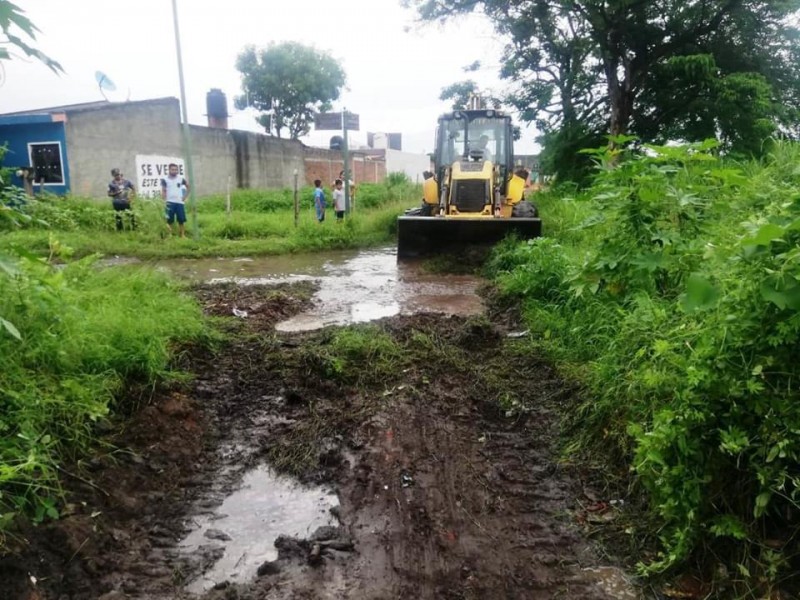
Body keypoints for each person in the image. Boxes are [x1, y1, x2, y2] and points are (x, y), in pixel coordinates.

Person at [161, 163, 189, 238]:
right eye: (173, 169)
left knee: (181, 220)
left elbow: (188, 186)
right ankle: (170, 235)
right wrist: (163, 201)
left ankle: (182, 235)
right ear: (169, 170)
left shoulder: (181, 179)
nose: (175, 171)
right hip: (169, 202)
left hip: (180, 202)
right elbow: (164, 191)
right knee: (168, 220)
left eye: (176, 170)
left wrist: (185, 196)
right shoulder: (165, 180)